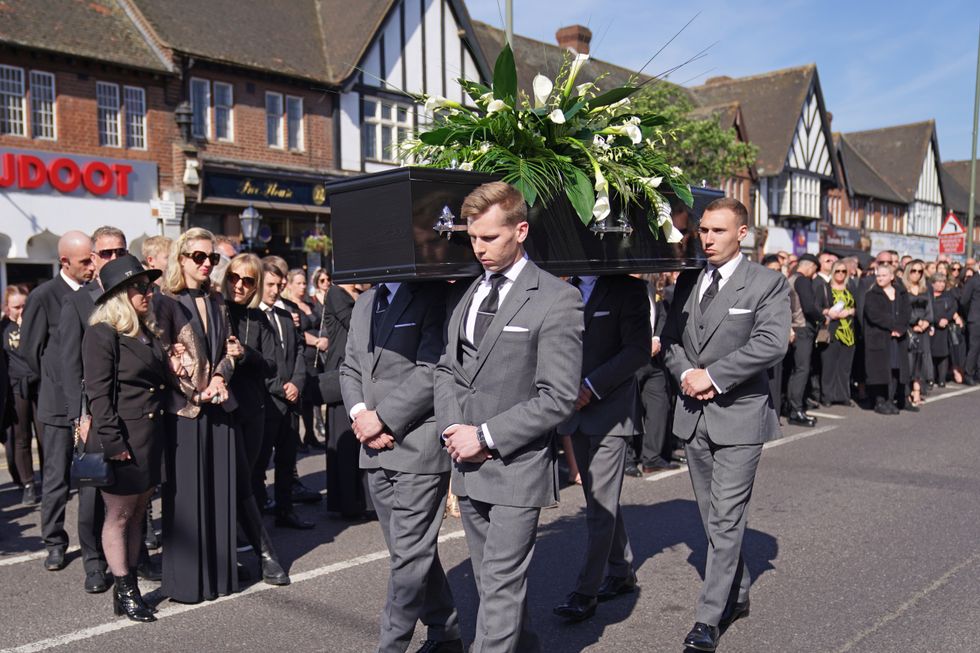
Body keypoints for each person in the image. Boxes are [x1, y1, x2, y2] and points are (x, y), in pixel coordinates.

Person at [434, 181, 583, 652]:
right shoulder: (467, 293)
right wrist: (452, 428)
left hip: (518, 466)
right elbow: (448, 369)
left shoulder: (557, 298)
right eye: (473, 238)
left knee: (499, 589)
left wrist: (484, 436)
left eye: (489, 238)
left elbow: (558, 397)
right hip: (467, 464)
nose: (478, 249)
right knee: (492, 585)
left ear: (520, 231)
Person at [661, 198, 790, 652]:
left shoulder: (767, 283)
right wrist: (684, 373)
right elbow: (672, 340)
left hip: (739, 417)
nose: (708, 239)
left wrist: (712, 376)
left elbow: (771, 343)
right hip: (693, 415)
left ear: (742, 233)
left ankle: (708, 619)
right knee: (712, 519)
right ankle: (737, 591)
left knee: (726, 517)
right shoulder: (688, 280)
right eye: (703, 230)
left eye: (718, 230)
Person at [340, 280, 463, 653]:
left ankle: (390, 646)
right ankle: (446, 632)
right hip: (373, 447)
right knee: (409, 552)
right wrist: (361, 416)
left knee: (409, 555)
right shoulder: (365, 302)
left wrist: (382, 419)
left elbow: (432, 370)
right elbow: (350, 367)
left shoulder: (431, 294)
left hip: (417, 447)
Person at [553, 275, 649, 623]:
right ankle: (621, 570)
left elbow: (637, 351)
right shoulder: (563, 288)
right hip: (573, 410)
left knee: (600, 503)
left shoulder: (628, 289)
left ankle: (586, 591)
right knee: (598, 499)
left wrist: (591, 386)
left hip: (611, 410)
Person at [60, 226, 152, 593]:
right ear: (96, 256)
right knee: (94, 498)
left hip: (138, 425)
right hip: (99, 419)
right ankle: (95, 564)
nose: (114, 258)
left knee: (133, 508)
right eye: (107, 253)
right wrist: (80, 417)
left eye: (120, 251)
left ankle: (132, 564)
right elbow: (74, 368)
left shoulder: (142, 318)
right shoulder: (79, 304)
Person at [155, 228, 241, 603]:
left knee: (219, 492)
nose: (207, 264)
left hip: (219, 405)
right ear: (181, 258)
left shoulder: (217, 300)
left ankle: (219, 577)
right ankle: (188, 583)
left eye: (212, 258)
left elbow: (231, 348)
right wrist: (195, 392)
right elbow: (163, 358)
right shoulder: (165, 301)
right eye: (199, 257)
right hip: (184, 410)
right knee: (187, 499)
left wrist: (221, 376)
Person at [82, 255, 170, 622]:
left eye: (149, 286)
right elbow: (99, 396)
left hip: (148, 436)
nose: (148, 292)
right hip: (121, 439)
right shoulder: (102, 333)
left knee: (136, 517)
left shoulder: (144, 330)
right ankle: (126, 590)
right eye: (140, 287)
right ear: (120, 294)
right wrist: (114, 444)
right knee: (118, 516)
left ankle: (127, 586)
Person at [19, 230, 95, 573]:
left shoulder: (94, 293)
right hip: (57, 404)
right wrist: (54, 382)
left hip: (91, 401)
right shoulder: (44, 296)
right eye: (84, 261)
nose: (91, 266)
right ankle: (54, 541)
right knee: (56, 478)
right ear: (64, 261)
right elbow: (29, 352)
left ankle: (95, 542)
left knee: (94, 477)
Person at [223, 254, 291, 584]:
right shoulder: (215, 310)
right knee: (229, 483)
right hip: (220, 411)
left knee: (246, 482)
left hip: (252, 411)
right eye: (234, 277)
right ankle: (263, 555)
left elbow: (272, 365)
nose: (239, 285)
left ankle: (257, 554)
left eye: (248, 280)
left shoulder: (258, 318)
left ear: (255, 286)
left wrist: (245, 354)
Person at [255, 261, 313, 530]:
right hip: (267, 401)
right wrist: (281, 387)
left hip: (291, 399)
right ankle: (257, 515)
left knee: (287, 459)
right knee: (260, 462)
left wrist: (297, 383)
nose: (275, 290)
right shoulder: (253, 317)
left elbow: (299, 351)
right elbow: (258, 361)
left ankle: (285, 509)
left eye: (279, 285)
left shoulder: (287, 316)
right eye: (269, 285)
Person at [321, 280, 372, 520]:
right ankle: (348, 503)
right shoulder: (336, 292)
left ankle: (363, 501)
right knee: (345, 443)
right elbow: (356, 322)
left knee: (360, 440)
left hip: (360, 373)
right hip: (342, 374)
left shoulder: (360, 294)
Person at [3, 285, 43, 506]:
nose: (21, 311)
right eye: (16, 307)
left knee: (45, 437)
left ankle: (50, 479)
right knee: (22, 438)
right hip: (17, 388)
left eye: (24, 306)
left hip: (39, 385)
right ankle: (28, 484)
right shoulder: (4, 328)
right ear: (7, 308)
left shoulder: (36, 324)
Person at [863, 265, 913, 415]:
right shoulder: (872, 294)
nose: (880, 278)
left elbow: (906, 312)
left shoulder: (901, 293)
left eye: (884, 275)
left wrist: (900, 328)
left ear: (892, 277)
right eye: (878, 275)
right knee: (880, 370)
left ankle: (890, 399)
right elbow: (874, 315)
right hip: (880, 337)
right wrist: (893, 326)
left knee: (896, 368)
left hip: (898, 337)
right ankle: (880, 401)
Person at [785, 254, 821, 427]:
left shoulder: (790, 279)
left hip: (793, 327)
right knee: (802, 370)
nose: (814, 274)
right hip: (803, 327)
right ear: (810, 266)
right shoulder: (803, 280)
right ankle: (796, 410)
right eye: (815, 269)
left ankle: (792, 407)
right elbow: (808, 307)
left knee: (796, 370)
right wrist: (821, 317)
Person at [819, 261, 856, 405]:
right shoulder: (824, 288)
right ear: (832, 272)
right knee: (829, 366)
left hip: (848, 332)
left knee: (845, 367)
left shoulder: (851, 287)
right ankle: (827, 396)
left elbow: (858, 306)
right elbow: (817, 307)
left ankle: (843, 396)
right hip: (831, 331)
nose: (840, 274)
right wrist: (828, 312)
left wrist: (850, 311)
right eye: (837, 271)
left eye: (843, 271)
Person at [904, 260, 932, 405]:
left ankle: (917, 392)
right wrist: (916, 322)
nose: (916, 274)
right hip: (909, 329)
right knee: (909, 361)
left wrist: (926, 322)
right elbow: (904, 310)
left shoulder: (925, 289)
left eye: (920, 271)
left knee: (921, 360)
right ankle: (906, 392)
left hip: (923, 330)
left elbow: (930, 309)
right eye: (913, 271)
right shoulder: (903, 289)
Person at [930, 274, 960, 388]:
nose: (941, 284)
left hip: (945, 328)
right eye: (938, 282)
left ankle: (942, 379)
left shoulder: (948, 295)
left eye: (943, 282)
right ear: (933, 283)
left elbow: (954, 308)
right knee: (931, 353)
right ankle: (931, 378)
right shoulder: (928, 296)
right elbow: (928, 310)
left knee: (943, 353)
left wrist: (946, 318)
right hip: (932, 327)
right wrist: (937, 321)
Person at [960, 267, 980, 385]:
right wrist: (971, 314)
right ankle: (968, 374)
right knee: (974, 348)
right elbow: (964, 301)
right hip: (976, 319)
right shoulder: (973, 280)